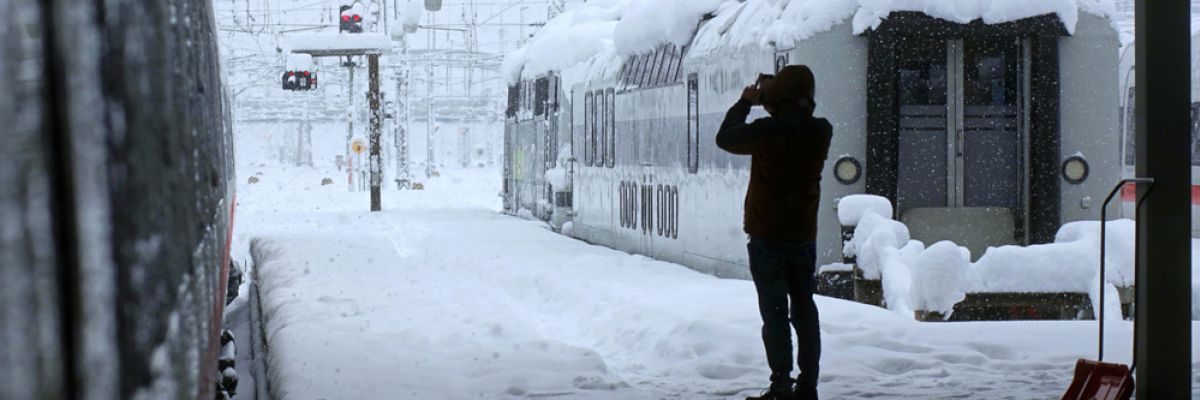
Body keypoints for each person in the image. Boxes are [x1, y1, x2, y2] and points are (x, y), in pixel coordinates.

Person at [715, 65, 833, 400]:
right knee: (805, 309)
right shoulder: (820, 131)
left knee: (775, 314)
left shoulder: (769, 131)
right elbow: (794, 117)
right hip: (802, 234)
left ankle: (781, 383)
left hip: (767, 235)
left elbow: (726, 138)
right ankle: (808, 385)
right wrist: (773, 99)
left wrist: (746, 102)